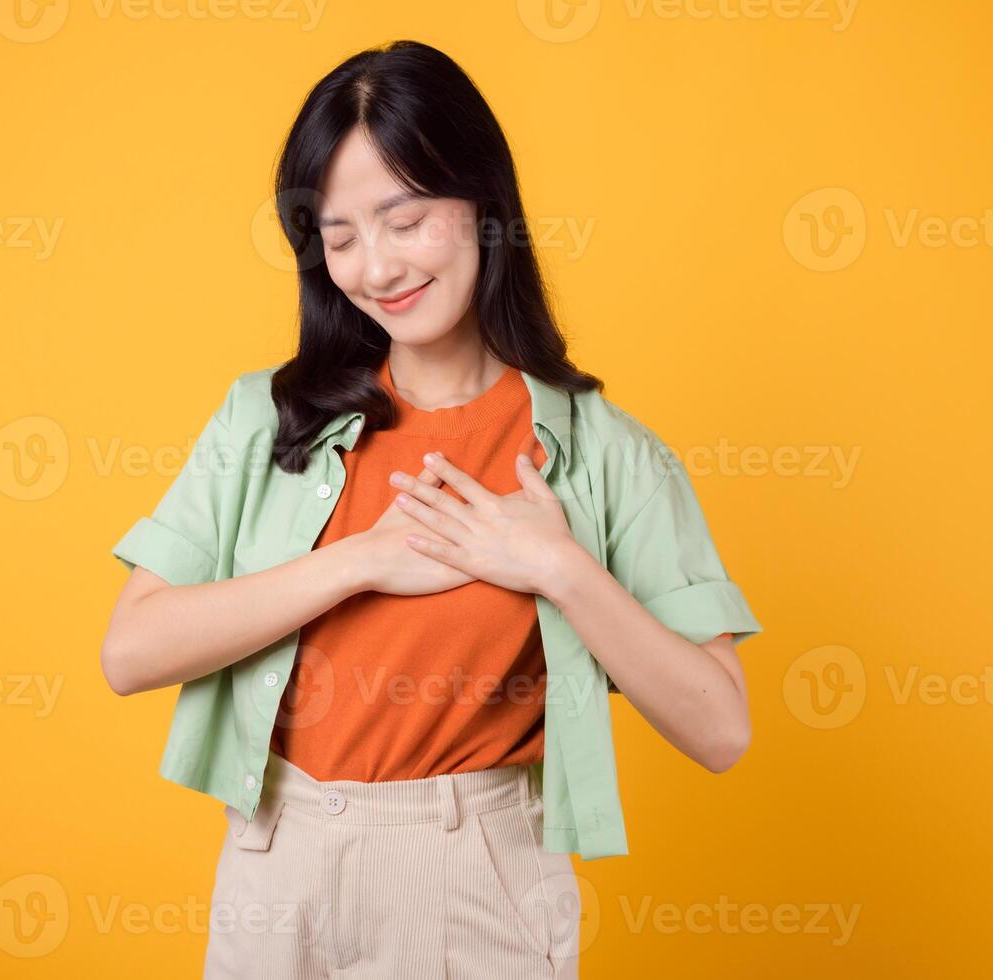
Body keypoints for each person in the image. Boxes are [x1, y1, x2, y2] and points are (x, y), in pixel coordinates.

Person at [101, 39, 762, 979]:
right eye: (340, 238)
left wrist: (562, 570)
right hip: (273, 862)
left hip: (472, 876)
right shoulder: (265, 420)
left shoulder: (608, 453)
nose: (376, 268)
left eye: (404, 220)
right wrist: (359, 560)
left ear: (483, 208)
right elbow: (130, 653)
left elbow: (721, 729)